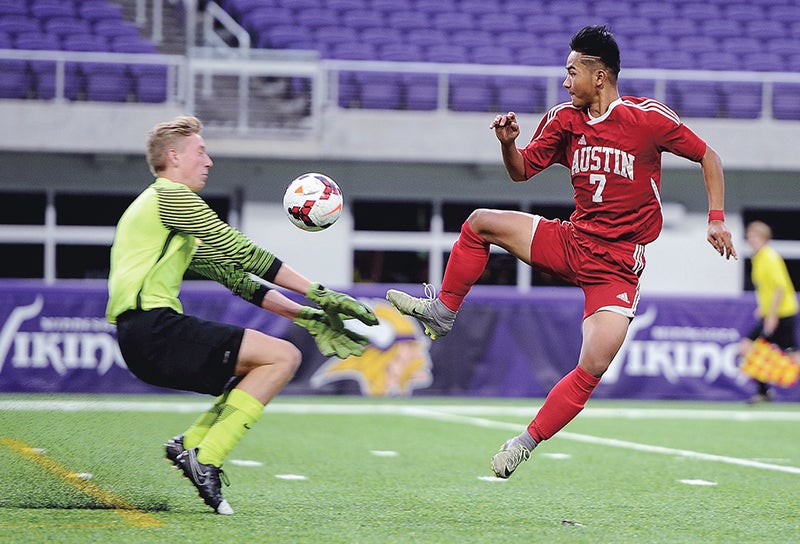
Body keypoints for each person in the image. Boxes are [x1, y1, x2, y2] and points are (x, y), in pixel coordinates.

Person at [386, 25, 737, 479]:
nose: (565, 82)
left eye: (572, 72)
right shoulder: (563, 119)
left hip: (617, 265)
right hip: (572, 241)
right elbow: (522, 172)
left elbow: (709, 156)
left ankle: (523, 442)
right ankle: (443, 312)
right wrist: (509, 144)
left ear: (600, 75)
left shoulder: (648, 118)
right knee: (479, 223)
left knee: (593, 364)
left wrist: (716, 217)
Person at [106, 115, 378, 514]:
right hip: (153, 330)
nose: (209, 160)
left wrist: (308, 315)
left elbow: (238, 280)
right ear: (173, 156)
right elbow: (242, 252)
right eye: (201, 151)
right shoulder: (170, 196)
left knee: (273, 359)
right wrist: (321, 293)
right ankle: (205, 455)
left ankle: (191, 445)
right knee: (282, 357)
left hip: (144, 334)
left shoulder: (161, 211)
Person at [738, 220, 799, 403]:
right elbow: (767, 288)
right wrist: (763, 309)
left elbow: (780, 288)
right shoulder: (758, 258)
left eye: (756, 237)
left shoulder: (770, 257)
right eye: (750, 237)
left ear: (765, 238)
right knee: (747, 348)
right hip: (770, 314)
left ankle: (764, 392)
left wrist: (771, 316)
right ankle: (764, 392)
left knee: (793, 357)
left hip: (782, 314)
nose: (752, 240)